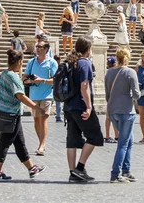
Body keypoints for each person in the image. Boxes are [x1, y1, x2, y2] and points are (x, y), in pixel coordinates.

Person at [0, 50, 47, 181]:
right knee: (4, 144)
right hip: (11, 115)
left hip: (4, 114)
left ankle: (32, 169)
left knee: (19, 143)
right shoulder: (13, 77)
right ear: (19, 62)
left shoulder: (2, 75)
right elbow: (20, 96)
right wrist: (36, 107)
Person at [64, 37, 104, 182]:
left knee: (72, 140)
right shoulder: (84, 63)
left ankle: (72, 172)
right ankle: (80, 168)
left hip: (69, 106)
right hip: (81, 106)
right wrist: (88, 106)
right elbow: (84, 86)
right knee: (95, 136)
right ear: (88, 49)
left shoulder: (71, 62)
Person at [104, 48, 140, 183]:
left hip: (113, 111)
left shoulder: (109, 73)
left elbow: (107, 94)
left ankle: (126, 170)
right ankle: (115, 173)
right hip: (127, 112)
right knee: (123, 144)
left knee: (129, 140)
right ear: (127, 58)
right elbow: (136, 94)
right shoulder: (130, 72)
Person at [23, 41, 58, 155]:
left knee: (43, 119)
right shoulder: (31, 62)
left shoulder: (52, 63)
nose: (37, 49)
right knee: (36, 120)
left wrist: (42, 80)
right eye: (36, 46)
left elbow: (56, 80)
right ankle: (41, 142)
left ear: (46, 49)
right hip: (34, 95)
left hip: (47, 95)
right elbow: (25, 76)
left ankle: (42, 145)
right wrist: (26, 80)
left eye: (40, 47)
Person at [104, 57, 119, 144]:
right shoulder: (116, 73)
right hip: (115, 98)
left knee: (108, 117)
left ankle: (108, 135)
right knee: (112, 118)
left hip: (109, 98)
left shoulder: (108, 73)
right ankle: (116, 136)